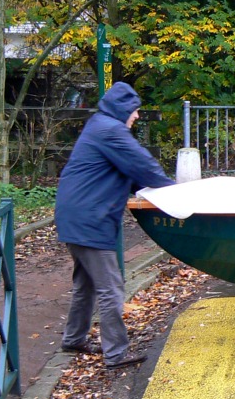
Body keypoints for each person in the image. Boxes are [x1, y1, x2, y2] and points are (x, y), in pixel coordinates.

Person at [55, 82, 175, 367]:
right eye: (134, 111)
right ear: (123, 109)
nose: (136, 117)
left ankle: (74, 338)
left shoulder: (99, 126)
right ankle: (115, 353)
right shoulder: (111, 130)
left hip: (76, 215)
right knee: (111, 287)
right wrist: (174, 192)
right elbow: (143, 166)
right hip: (90, 219)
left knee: (85, 284)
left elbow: (125, 172)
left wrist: (145, 188)